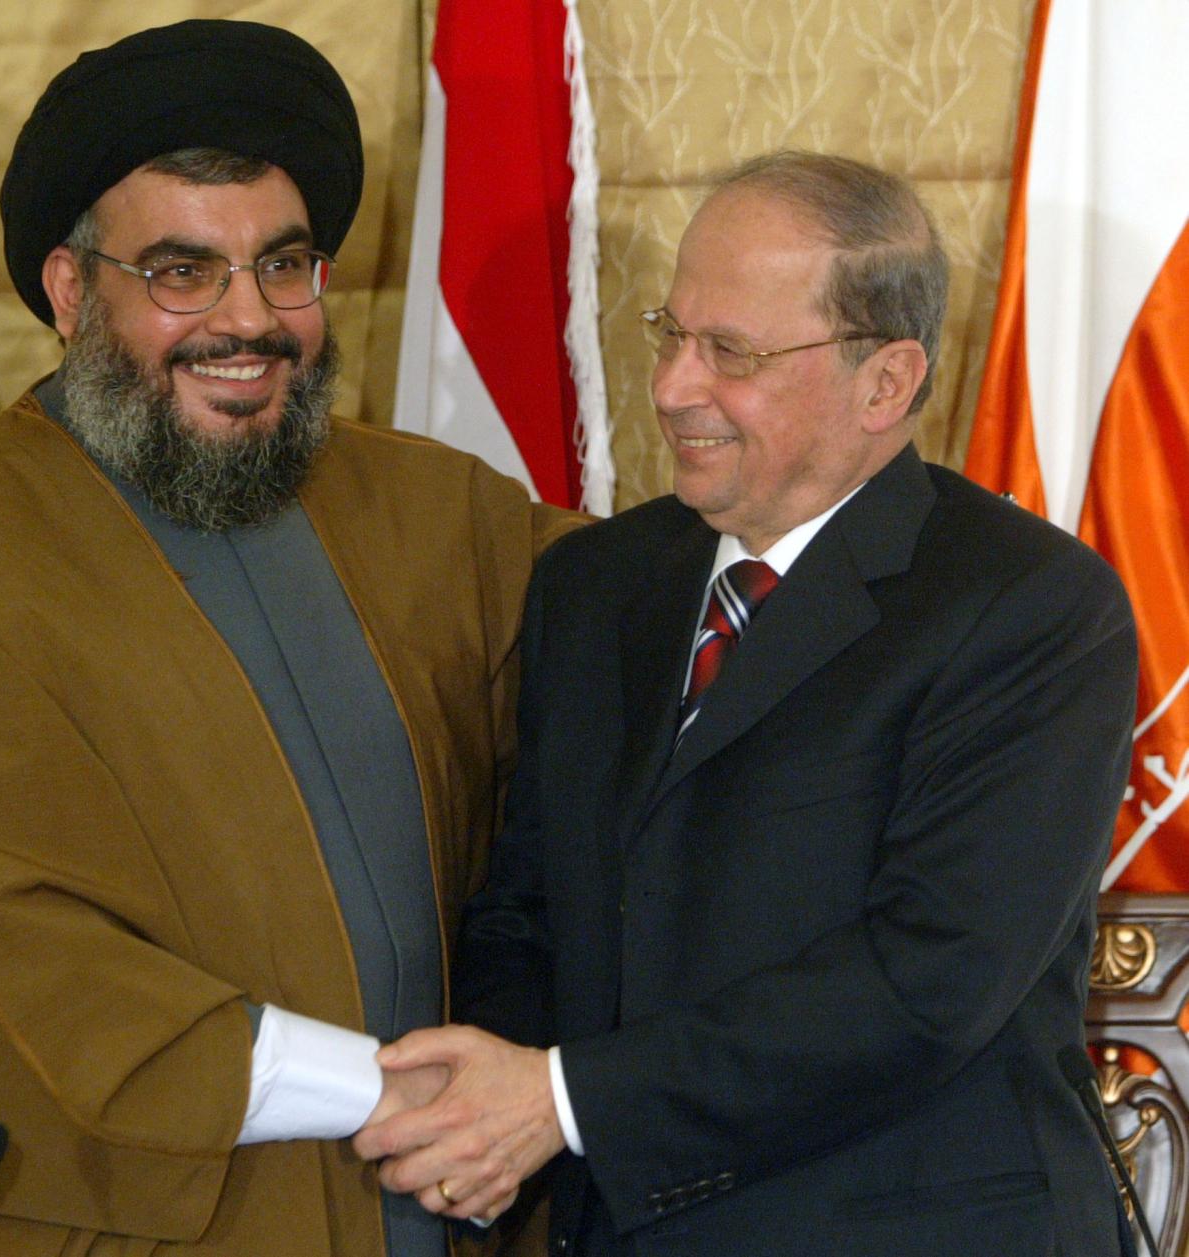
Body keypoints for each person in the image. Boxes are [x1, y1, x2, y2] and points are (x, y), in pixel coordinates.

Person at [0, 19, 577, 1257]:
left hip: (449, 1207)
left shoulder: (435, 513)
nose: (247, 322)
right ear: (73, 291)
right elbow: (4, 970)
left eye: (283, 266)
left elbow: (667, 668)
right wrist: (402, 1096)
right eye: (181, 273)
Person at [355, 151, 1140, 1256]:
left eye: (733, 352)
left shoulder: (1030, 608)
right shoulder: (597, 584)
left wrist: (563, 1100)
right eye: (671, 334)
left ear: (887, 381)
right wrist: (491, 1098)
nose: (675, 386)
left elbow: (928, 980)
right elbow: (527, 908)